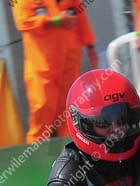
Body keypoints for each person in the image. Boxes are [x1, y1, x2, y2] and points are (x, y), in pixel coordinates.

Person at [13, 1, 98, 143]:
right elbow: (23, 22)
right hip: (41, 63)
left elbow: (80, 15)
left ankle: (69, 155)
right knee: (42, 108)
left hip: (69, 58)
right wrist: (56, 21)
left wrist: (90, 45)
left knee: (69, 110)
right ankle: (35, 157)